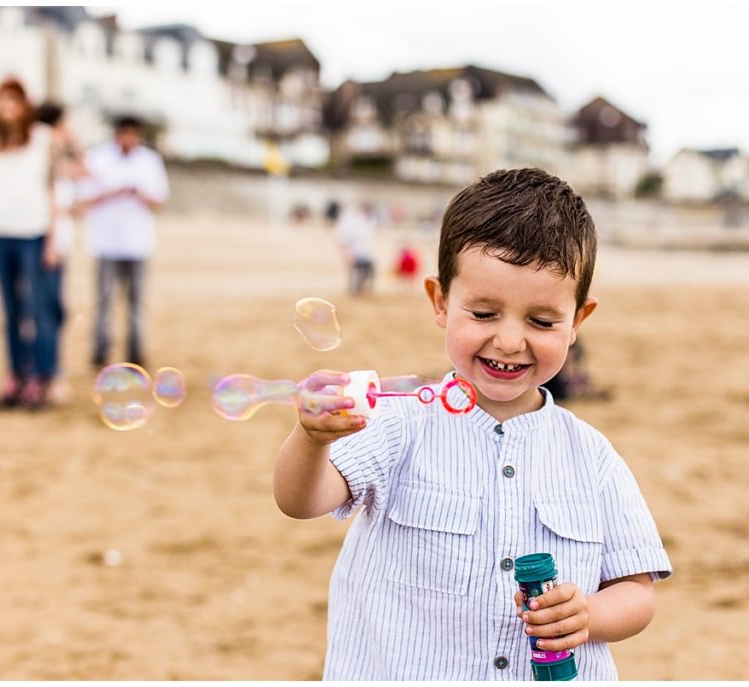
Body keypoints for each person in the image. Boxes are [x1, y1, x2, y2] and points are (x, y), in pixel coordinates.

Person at [274, 168, 672, 680]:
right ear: (441, 302)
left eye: (542, 321)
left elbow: (637, 592)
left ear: (578, 321)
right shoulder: (399, 424)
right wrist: (311, 440)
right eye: (484, 313)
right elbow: (299, 501)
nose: (509, 341)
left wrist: (590, 615)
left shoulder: (591, 455)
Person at [0, 77, 58, 410]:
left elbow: (52, 189)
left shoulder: (42, 138)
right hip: (0, 233)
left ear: (24, 104)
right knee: (9, 312)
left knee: (36, 310)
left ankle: (39, 379)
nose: (4, 107)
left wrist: (52, 240)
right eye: (0, 101)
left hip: (33, 233)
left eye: (11, 101)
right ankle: (15, 377)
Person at [76, 115, 168, 370]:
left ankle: (135, 353)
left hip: (138, 243)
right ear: (117, 134)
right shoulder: (97, 158)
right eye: (124, 133)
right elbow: (82, 200)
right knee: (103, 302)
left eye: (133, 134)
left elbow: (160, 201)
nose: (129, 138)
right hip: (105, 242)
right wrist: (112, 193)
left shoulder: (150, 161)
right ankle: (100, 353)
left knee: (136, 303)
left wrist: (140, 194)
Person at [34, 101, 87, 400]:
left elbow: (86, 171)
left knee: (51, 311)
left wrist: (72, 143)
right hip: (47, 245)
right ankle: (48, 376)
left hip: (58, 245)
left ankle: (48, 374)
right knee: (48, 312)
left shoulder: (55, 159)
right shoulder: (43, 159)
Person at [335, 202, 376, 295]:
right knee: (357, 272)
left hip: (364, 252)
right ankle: (355, 290)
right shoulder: (352, 223)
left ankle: (359, 289)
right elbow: (344, 239)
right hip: (356, 252)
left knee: (365, 272)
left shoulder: (361, 222)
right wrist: (346, 252)